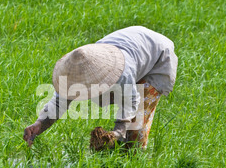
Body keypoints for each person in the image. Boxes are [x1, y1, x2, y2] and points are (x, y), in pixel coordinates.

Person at [23, 25, 178, 149]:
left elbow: (130, 101)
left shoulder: (119, 71)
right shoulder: (74, 72)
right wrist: (39, 124)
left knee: (135, 130)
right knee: (124, 134)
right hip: (134, 47)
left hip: (158, 57)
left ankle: (135, 162)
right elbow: (59, 102)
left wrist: (119, 130)